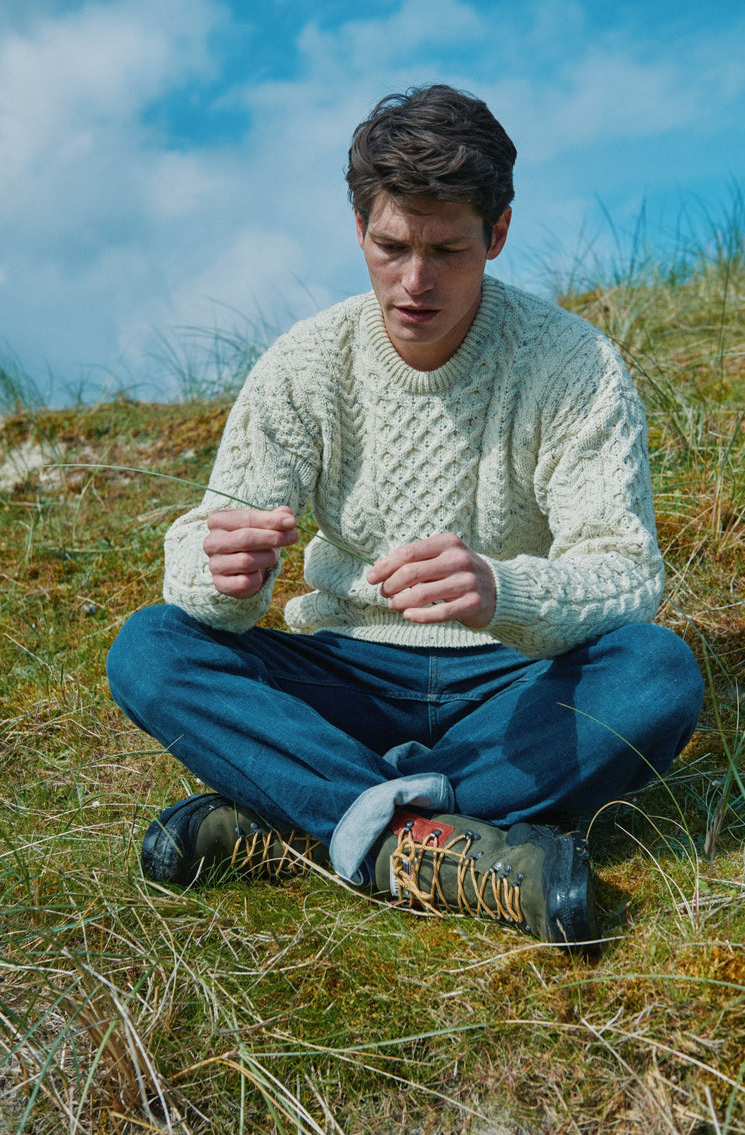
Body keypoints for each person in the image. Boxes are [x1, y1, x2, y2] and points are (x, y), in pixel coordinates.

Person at [107, 84, 703, 948]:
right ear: (358, 229)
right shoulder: (303, 366)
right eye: (390, 246)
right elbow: (213, 571)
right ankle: (435, 840)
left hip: (513, 681)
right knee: (152, 648)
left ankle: (302, 819)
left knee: (657, 673)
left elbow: (626, 574)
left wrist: (502, 589)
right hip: (344, 673)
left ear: (496, 235)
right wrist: (219, 570)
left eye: (447, 249)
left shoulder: (576, 365)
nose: (414, 280)